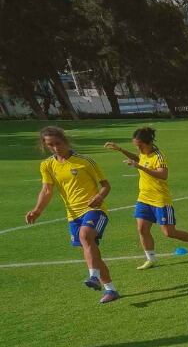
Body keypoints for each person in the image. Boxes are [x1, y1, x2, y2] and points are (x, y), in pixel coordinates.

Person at [25, 126, 119, 303]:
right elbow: (46, 190)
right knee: (92, 252)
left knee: (85, 236)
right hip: (73, 215)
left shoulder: (84, 161)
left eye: (58, 143)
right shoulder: (47, 165)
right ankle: (110, 290)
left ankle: (92, 277)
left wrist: (99, 197)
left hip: (95, 210)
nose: (55, 148)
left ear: (65, 141)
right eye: (50, 145)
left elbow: (106, 185)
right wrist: (37, 210)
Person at [104, 127, 188, 269]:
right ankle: (151, 258)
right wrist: (121, 150)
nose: (138, 148)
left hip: (160, 200)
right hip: (143, 198)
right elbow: (139, 158)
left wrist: (139, 167)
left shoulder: (158, 156)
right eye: (136, 145)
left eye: (139, 145)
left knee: (169, 232)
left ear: (148, 143)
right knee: (142, 229)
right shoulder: (143, 153)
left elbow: (163, 175)